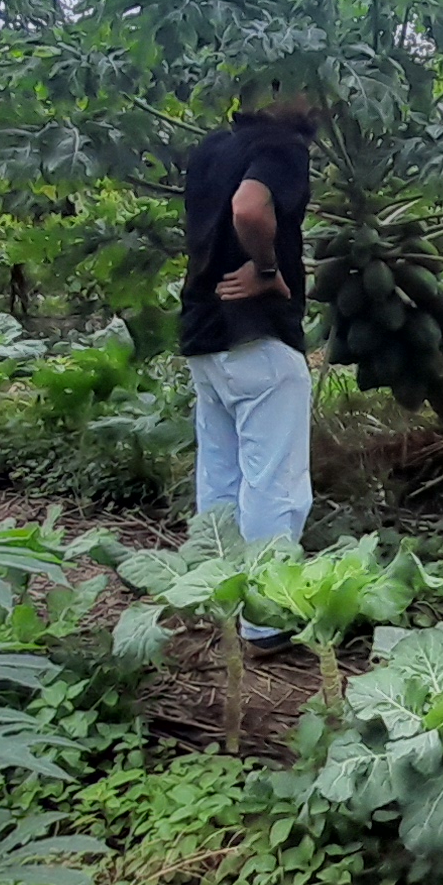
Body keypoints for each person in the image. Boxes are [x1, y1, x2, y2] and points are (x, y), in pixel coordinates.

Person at [179, 77, 318, 564]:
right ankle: (265, 623)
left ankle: (218, 599)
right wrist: (266, 270)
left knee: (221, 479)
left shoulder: (212, 148)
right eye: (309, 85)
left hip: (205, 335)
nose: (318, 99)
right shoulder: (284, 149)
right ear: (278, 90)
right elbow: (249, 207)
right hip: (259, 337)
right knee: (276, 487)